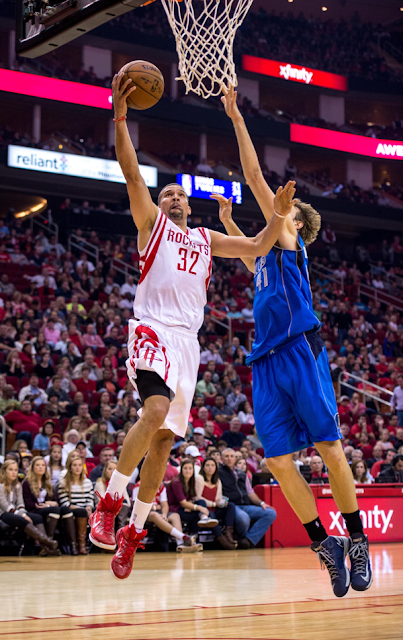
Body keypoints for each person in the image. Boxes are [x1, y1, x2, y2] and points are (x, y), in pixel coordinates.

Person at [89, 70, 291, 580]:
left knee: (163, 442)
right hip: (152, 328)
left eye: (181, 194)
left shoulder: (203, 238)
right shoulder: (150, 226)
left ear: (190, 205)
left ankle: (134, 530)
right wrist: (120, 119)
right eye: (169, 194)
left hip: (188, 345)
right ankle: (110, 502)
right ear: (159, 206)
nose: (175, 197)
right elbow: (134, 173)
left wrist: (279, 218)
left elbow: (257, 247)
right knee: (153, 409)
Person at [219, 83, 371, 597]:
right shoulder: (265, 253)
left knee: (330, 446)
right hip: (266, 361)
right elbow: (246, 250)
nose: (286, 207)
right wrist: (226, 223)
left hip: (300, 352)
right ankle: (323, 544)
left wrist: (237, 116)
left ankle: (355, 539)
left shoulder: (289, 240)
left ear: (298, 225)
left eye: (291, 208)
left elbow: (258, 181)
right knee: (279, 462)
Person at [219, 449, 276, 549]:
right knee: (244, 519)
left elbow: (250, 493)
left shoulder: (242, 473)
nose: (229, 459)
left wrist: (261, 503)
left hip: (246, 505)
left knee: (270, 513)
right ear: (222, 459)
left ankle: (248, 539)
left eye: (231, 456)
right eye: (226, 456)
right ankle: (241, 538)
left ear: (235, 459)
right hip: (231, 506)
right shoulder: (219, 472)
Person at [0, 460, 59, 556]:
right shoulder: (1, 486)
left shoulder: (17, 485)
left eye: (15, 470)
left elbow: (20, 504)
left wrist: (23, 512)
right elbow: (6, 507)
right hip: (3, 513)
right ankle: (48, 542)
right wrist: (23, 515)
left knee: (37, 517)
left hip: (16, 512)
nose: (14, 472)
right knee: (21, 519)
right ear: (4, 471)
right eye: (10, 470)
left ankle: (45, 548)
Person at [132, 475, 201, 553]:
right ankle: (183, 537)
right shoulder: (139, 485)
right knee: (154, 515)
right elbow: (137, 505)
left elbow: (164, 505)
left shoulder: (160, 486)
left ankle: (180, 544)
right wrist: (156, 507)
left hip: (158, 511)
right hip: (141, 513)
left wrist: (164, 515)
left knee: (175, 515)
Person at [166, 460, 218, 540]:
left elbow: (190, 498)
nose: (188, 471)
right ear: (181, 470)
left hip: (184, 507)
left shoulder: (191, 481)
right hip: (174, 509)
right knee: (199, 514)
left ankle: (203, 518)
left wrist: (190, 506)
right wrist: (199, 508)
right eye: (185, 468)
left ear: (193, 470)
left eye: (190, 468)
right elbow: (183, 503)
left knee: (201, 502)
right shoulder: (177, 482)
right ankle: (193, 534)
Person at [22, 456, 62, 555]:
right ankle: (48, 545)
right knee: (47, 513)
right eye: (38, 465)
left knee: (58, 509)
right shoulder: (27, 483)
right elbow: (27, 503)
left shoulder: (47, 483)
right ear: (33, 468)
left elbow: (55, 501)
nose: (41, 467)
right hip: (33, 510)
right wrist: (40, 505)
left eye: (43, 465)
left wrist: (48, 505)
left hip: (45, 509)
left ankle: (48, 544)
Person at [196, 457, 238, 549]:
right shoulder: (199, 478)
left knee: (231, 506)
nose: (210, 467)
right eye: (207, 465)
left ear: (216, 468)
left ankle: (228, 533)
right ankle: (221, 540)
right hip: (203, 511)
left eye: (212, 465)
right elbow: (197, 497)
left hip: (214, 508)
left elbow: (218, 498)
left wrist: (222, 502)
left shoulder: (218, 481)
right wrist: (214, 504)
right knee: (211, 515)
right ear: (203, 467)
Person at [57, 455, 94, 554]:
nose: (77, 468)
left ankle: (85, 544)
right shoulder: (63, 483)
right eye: (74, 465)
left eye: (79, 465)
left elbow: (90, 499)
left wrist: (89, 508)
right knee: (81, 511)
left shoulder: (88, 482)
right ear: (70, 467)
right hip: (70, 509)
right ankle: (80, 545)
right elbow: (64, 502)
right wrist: (83, 509)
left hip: (84, 509)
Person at [95, 460, 130, 531]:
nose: (112, 471)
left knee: (124, 504)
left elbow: (128, 503)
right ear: (105, 470)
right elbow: (101, 501)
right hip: (104, 509)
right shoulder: (100, 482)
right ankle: (116, 532)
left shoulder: (121, 483)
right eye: (110, 469)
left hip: (119, 510)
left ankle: (120, 530)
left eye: (115, 469)